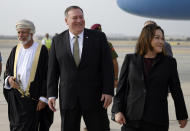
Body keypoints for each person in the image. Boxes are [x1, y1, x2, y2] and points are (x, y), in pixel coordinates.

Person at [47, 6, 114, 131]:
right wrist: (51, 94)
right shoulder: (57, 40)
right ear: (66, 21)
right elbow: (52, 70)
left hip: (95, 97)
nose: (79, 20)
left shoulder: (98, 37)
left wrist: (108, 90)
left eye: (81, 17)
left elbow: (107, 67)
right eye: (75, 18)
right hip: (68, 97)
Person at [111, 24, 188, 131]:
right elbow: (121, 90)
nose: (161, 41)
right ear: (146, 38)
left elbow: (176, 90)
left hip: (157, 121)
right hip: (131, 119)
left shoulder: (169, 63)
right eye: (157, 38)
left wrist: (182, 115)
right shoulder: (130, 59)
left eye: (162, 38)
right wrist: (117, 111)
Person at [3, 19, 53, 131]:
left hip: (34, 102)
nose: (21, 35)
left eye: (23, 32)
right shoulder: (15, 50)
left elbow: (48, 75)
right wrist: (9, 79)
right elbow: (7, 71)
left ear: (31, 33)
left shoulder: (42, 51)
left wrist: (44, 98)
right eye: (19, 32)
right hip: (16, 101)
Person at [91, 24, 119, 88]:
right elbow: (114, 62)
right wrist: (115, 79)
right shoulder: (108, 44)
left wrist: (115, 79)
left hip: (104, 79)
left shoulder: (108, 44)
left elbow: (114, 62)